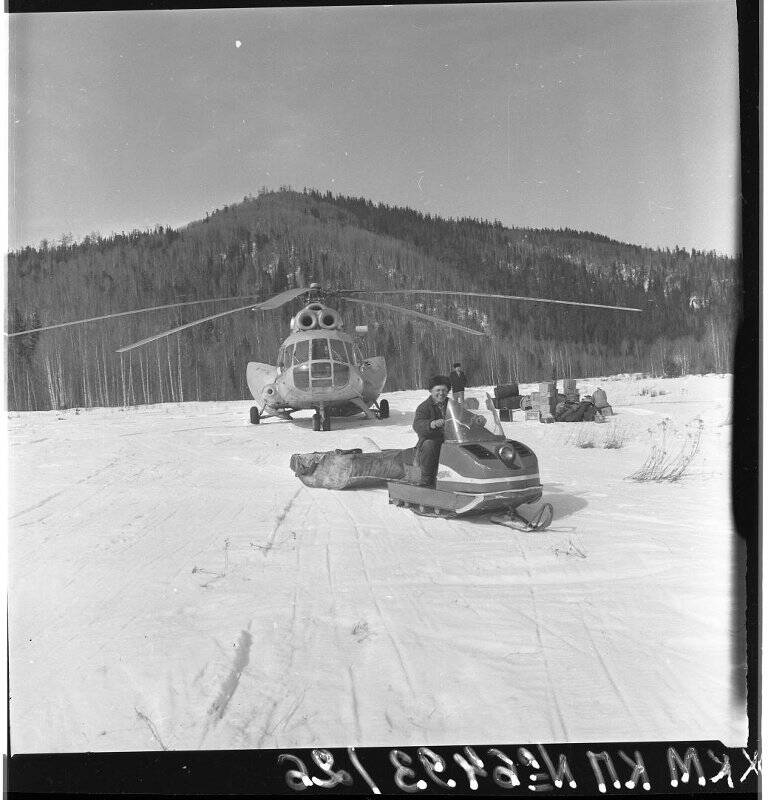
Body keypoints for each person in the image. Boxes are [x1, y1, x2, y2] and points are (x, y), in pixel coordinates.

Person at [412, 375, 451, 487]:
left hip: (452, 438)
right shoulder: (424, 407)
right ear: (431, 391)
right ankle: (426, 479)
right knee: (430, 445)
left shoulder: (451, 404)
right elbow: (417, 424)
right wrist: (431, 424)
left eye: (444, 390)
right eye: (438, 390)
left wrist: (476, 418)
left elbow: (462, 415)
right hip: (432, 438)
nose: (441, 393)